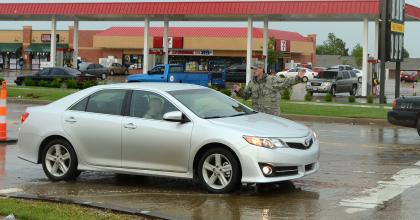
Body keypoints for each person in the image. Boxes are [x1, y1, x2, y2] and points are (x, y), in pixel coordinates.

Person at [233, 64, 305, 116]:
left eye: (256, 69)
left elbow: (285, 82)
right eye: (253, 69)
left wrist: (297, 78)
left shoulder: (271, 79)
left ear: (261, 69)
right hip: (258, 115)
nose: (254, 71)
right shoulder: (252, 82)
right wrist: (239, 90)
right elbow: (246, 96)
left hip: (271, 115)